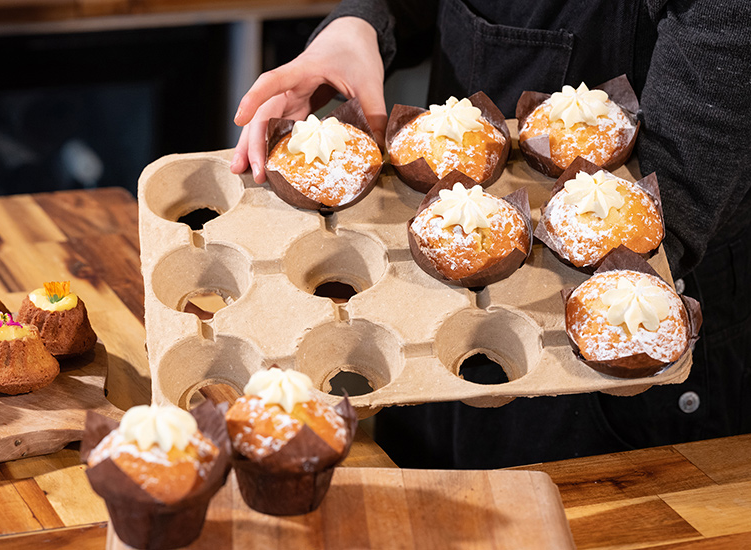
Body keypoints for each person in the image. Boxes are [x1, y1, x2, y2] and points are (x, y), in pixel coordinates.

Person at [230, 0, 751, 468]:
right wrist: (360, 23)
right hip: (436, 283)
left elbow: (718, 71)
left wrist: (634, 249)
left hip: (611, 331)